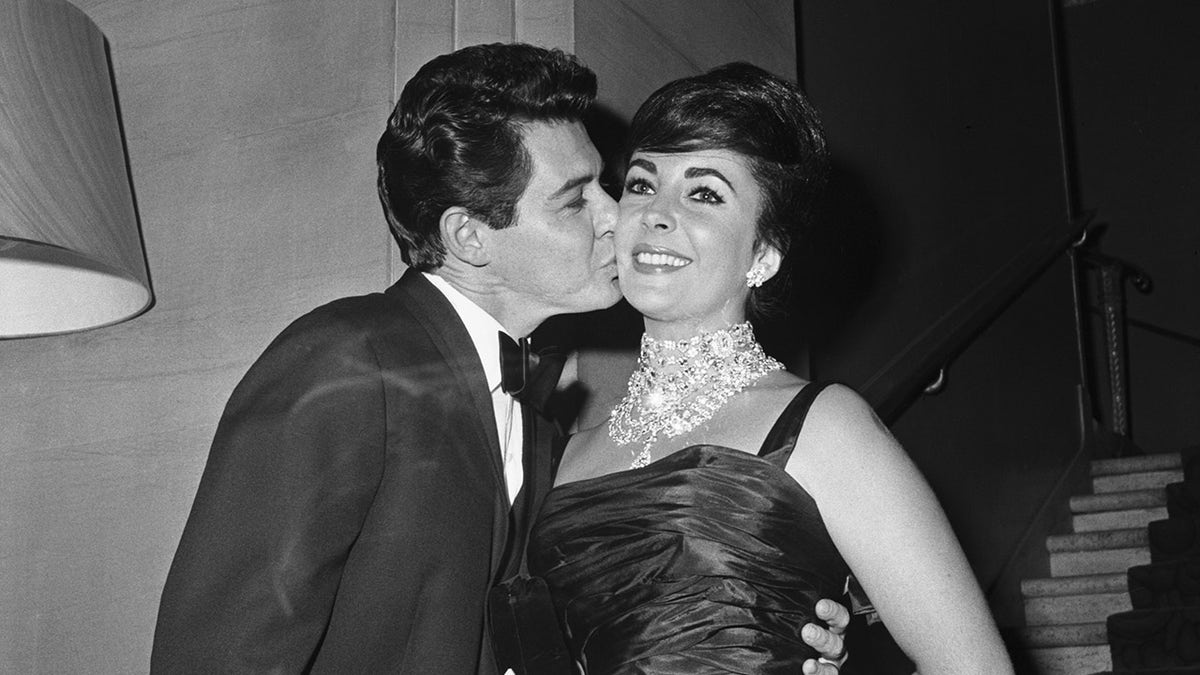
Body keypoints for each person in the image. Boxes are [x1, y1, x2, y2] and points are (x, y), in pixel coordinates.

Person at [150, 43, 850, 674]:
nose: (618, 216)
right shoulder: (346, 360)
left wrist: (772, 633)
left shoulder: (545, 424)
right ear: (471, 236)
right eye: (578, 199)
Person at [527, 63, 1015, 674]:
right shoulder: (562, 453)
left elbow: (975, 667)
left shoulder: (822, 427)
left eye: (703, 194)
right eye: (642, 184)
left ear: (762, 254)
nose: (656, 213)